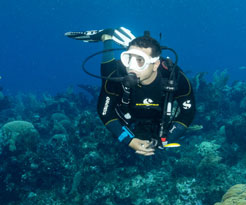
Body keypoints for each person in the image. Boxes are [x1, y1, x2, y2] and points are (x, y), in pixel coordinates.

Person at [66, 28, 195, 156]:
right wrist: (129, 140)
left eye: (140, 60)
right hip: (128, 115)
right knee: (108, 71)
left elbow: (188, 112)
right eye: (128, 58)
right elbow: (105, 112)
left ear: (155, 65)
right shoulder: (118, 74)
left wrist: (167, 140)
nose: (131, 67)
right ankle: (107, 37)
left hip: (158, 116)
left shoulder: (174, 76)